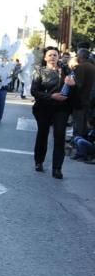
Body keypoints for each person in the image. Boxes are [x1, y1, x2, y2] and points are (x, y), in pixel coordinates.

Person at [30, 46, 74, 180]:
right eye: (50, 55)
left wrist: (72, 84)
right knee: (43, 134)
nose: (53, 57)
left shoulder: (66, 70)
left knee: (59, 136)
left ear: (58, 57)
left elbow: (73, 86)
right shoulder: (39, 71)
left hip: (61, 108)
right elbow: (34, 91)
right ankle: (39, 161)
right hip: (44, 107)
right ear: (45, 58)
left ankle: (57, 168)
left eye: (55, 55)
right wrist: (51, 96)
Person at [69, 48, 94, 140]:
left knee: (79, 124)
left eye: (77, 55)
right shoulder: (92, 66)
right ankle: (82, 142)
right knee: (84, 124)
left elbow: (77, 85)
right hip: (88, 100)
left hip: (81, 100)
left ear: (80, 56)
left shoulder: (81, 67)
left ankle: (78, 144)